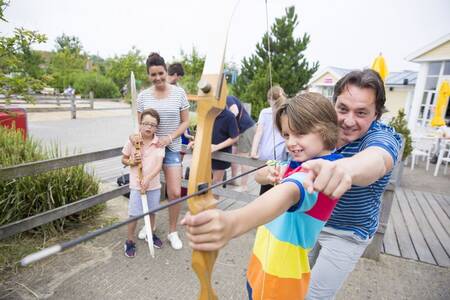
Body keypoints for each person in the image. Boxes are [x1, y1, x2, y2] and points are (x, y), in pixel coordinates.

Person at [182, 93, 342, 299]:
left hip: (282, 279)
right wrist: (268, 174)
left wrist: (232, 223)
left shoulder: (321, 174)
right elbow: (260, 175)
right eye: (286, 135)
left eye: (300, 133)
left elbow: (290, 191)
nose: (291, 143)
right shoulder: (297, 164)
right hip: (262, 265)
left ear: (325, 130)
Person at [300, 69, 402, 299]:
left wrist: (344, 169)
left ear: (376, 115)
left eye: (361, 113)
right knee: (294, 286)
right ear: (334, 104)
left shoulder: (382, 138)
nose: (348, 121)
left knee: (314, 296)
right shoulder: (323, 128)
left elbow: (376, 160)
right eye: (343, 109)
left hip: (348, 233)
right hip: (313, 223)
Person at [135, 52, 190, 250]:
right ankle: (151, 223)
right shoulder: (143, 97)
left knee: (174, 192)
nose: (157, 78)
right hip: (150, 150)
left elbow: (186, 122)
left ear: (167, 71)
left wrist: (169, 138)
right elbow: (140, 125)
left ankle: (173, 231)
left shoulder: (179, 93)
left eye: (161, 73)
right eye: (153, 74)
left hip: (172, 148)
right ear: (148, 75)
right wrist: (138, 147)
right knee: (150, 189)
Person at [122, 109, 165, 257]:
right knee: (134, 214)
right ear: (140, 124)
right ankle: (129, 241)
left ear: (156, 127)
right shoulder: (133, 141)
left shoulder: (158, 144)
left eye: (153, 125)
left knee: (152, 212)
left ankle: (150, 234)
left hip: (153, 185)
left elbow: (159, 165)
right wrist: (132, 162)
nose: (149, 127)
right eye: (146, 123)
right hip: (136, 185)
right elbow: (124, 159)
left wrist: (148, 178)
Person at [250, 85, 288, 195]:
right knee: (279, 189)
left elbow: (259, 132)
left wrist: (253, 151)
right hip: (281, 155)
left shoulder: (264, 112)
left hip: (265, 155)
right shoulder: (286, 112)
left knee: (265, 186)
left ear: (269, 99)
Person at [226, 95, 256, 191]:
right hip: (238, 130)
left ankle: (244, 186)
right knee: (234, 155)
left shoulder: (227, 98)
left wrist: (225, 123)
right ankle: (233, 179)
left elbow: (235, 111)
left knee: (243, 157)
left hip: (246, 129)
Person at [211, 108, 240, 185]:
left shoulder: (229, 116)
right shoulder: (207, 113)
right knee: (203, 182)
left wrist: (217, 147)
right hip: (205, 153)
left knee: (216, 183)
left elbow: (235, 137)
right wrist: (195, 141)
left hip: (221, 155)